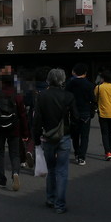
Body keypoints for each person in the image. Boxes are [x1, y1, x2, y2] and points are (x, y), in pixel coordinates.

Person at [32, 68, 76, 214]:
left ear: (48, 80)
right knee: (62, 171)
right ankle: (60, 205)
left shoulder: (42, 96)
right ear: (63, 80)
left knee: (51, 169)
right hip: (64, 135)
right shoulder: (69, 96)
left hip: (48, 136)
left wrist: (36, 139)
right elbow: (76, 117)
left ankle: (50, 198)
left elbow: (37, 120)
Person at [0, 75, 28, 191]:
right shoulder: (18, 96)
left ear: (1, 82)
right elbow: (23, 115)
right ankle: (15, 172)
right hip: (14, 128)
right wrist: (25, 133)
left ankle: (1, 180)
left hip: (0, 127)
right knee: (14, 154)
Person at [65, 63, 95, 166]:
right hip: (85, 112)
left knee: (75, 135)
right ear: (85, 73)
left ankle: (77, 154)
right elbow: (93, 100)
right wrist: (92, 111)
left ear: (74, 72)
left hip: (73, 112)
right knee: (85, 136)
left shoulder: (70, 84)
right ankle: (82, 157)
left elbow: (66, 98)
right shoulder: (89, 85)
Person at [94, 70, 111, 160]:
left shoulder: (99, 87)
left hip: (103, 113)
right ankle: (110, 151)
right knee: (110, 132)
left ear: (103, 78)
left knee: (104, 133)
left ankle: (107, 152)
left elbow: (95, 98)